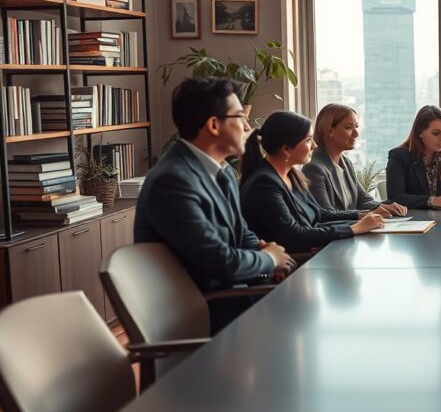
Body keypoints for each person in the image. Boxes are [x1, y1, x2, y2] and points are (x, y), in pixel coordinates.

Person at [135, 78, 295, 333]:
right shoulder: (173, 181)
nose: (247, 126)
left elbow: (240, 232)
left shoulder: (222, 171)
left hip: (235, 301)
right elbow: (221, 263)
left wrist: (262, 247)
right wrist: (267, 259)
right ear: (213, 125)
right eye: (240, 116)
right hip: (203, 317)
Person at [239, 111, 383, 254]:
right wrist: (354, 229)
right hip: (291, 264)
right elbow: (295, 235)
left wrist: (360, 216)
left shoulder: (292, 175)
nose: (314, 145)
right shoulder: (264, 185)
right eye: (308, 140)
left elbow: (320, 213)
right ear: (286, 149)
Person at [304, 103, 408, 217]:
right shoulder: (314, 168)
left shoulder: (346, 163)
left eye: (356, 126)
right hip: (339, 232)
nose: (356, 134)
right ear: (329, 131)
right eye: (349, 127)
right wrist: (365, 215)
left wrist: (385, 207)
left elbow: (362, 199)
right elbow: (325, 214)